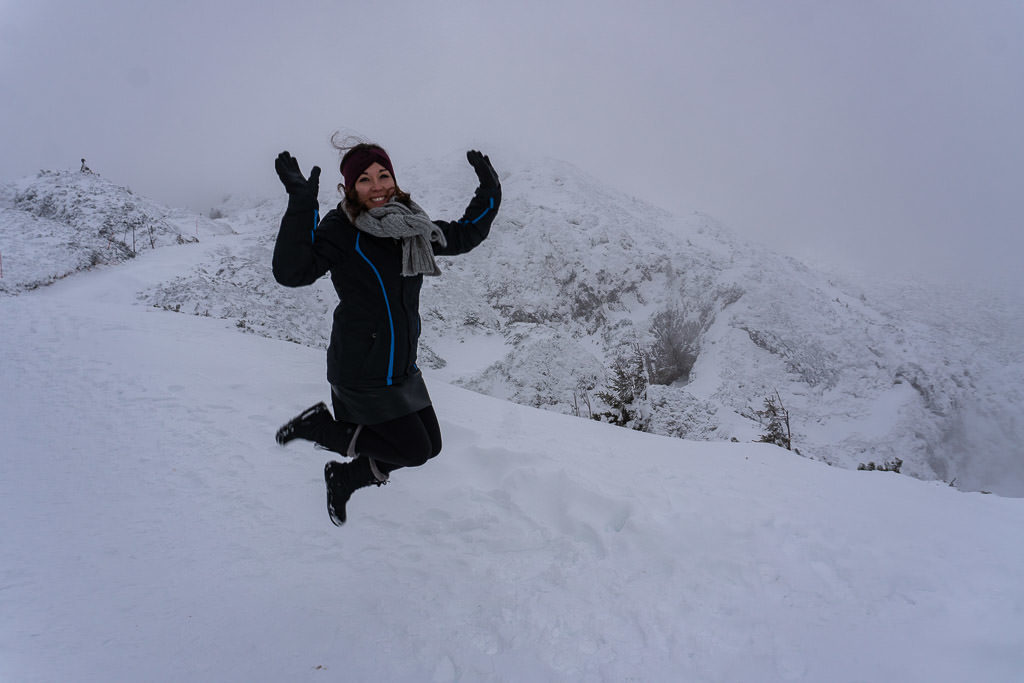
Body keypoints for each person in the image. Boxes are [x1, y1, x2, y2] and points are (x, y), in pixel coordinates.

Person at [271, 141, 500, 526]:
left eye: (383, 175)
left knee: (431, 446)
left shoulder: (409, 226)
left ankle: (345, 476)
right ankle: (322, 428)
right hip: (362, 368)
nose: (376, 186)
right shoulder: (342, 230)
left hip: (400, 366)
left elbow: (463, 236)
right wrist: (301, 203)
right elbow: (291, 272)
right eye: (364, 179)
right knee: (412, 450)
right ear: (348, 188)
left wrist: (490, 190)